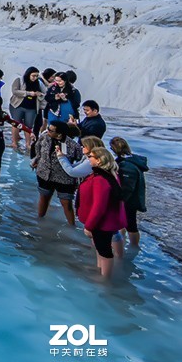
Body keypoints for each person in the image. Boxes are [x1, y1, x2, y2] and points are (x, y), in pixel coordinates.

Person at [78, 147, 128, 280]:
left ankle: (104, 278)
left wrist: (89, 226)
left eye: (91, 157)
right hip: (106, 221)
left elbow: (99, 206)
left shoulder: (101, 179)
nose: (88, 159)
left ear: (99, 161)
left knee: (104, 249)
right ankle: (100, 269)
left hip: (102, 223)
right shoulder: (109, 174)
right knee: (101, 247)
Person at [32, 120, 82, 225]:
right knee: (44, 197)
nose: (47, 131)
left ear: (59, 133)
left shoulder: (73, 145)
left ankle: (71, 226)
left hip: (64, 178)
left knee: (66, 203)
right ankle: (39, 221)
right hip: (45, 174)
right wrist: (36, 161)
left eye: (50, 130)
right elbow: (37, 148)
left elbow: (80, 160)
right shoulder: (44, 138)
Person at [110, 137, 148, 249]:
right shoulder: (131, 161)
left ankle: (134, 246)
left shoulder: (127, 166)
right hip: (132, 198)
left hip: (129, 200)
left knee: (131, 224)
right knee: (126, 222)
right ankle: (125, 242)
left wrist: (119, 200)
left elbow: (127, 187)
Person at [8, 67, 45, 150]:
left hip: (32, 108)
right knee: (16, 124)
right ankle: (14, 142)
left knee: (28, 126)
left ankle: (28, 144)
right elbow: (15, 91)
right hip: (18, 105)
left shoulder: (38, 83)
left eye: (36, 76)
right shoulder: (19, 80)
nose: (35, 78)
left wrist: (39, 95)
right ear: (28, 74)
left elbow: (44, 94)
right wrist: (28, 93)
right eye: (33, 76)